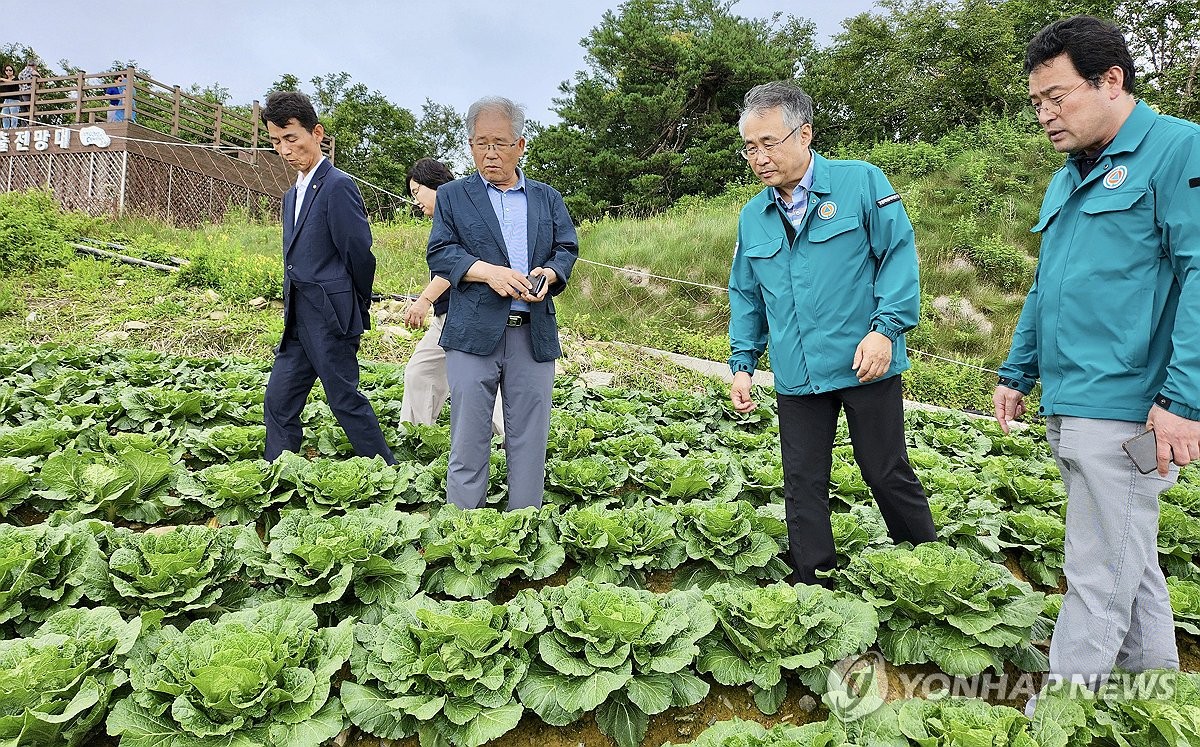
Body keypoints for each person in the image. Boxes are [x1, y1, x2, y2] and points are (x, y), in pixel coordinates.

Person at [994, 16, 1200, 705]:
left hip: (1131, 410)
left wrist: (1184, 400)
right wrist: (1015, 371)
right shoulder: (1069, 177)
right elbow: (1046, 283)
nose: (1045, 114)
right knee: (1127, 559)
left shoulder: (1178, 151)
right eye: (1036, 103)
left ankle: (1057, 711)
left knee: (1096, 569)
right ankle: (1157, 696)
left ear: (1112, 81)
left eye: (1057, 97)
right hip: (1071, 398)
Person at [727, 80, 936, 587]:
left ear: (804, 135)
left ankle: (929, 567)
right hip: (797, 375)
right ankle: (814, 585)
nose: (758, 157)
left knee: (885, 470)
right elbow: (746, 295)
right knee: (802, 483)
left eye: (769, 143)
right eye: (749, 147)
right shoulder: (753, 217)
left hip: (864, 362)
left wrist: (886, 330)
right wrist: (742, 363)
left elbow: (898, 256)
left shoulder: (861, 182)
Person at [427, 96, 578, 510]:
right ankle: (464, 533)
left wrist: (549, 273)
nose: (489, 153)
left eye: (499, 142)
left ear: (520, 145)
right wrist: (487, 271)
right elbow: (440, 253)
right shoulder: (454, 196)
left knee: (530, 440)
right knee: (468, 439)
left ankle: (523, 528)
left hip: (533, 335)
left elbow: (566, 247)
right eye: (480, 143)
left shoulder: (547, 198)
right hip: (472, 334)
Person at [259, 90, 394, 464]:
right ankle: (280, 476)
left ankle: (390, 472)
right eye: (275, 141)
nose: (285, 150)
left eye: (291, 138)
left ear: (316, 133)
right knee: (279, 399)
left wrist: (354, 306)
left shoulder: (337, 185)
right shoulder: (292, 195)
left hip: (331, 317)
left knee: (344, 400)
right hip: (298, 318)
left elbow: (358, 254)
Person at [399, 157, 505, 436]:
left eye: (416, 192)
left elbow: (454, 266)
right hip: (445, 318)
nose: (416, 201)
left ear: (435, 186)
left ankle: (509, 444)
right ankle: (416, 436)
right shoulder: (445, 218)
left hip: (468, 316)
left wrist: (423, 301)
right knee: (420, 372)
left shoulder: (463, 214)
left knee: (479, 384)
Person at [16, 61, 37, 126]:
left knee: (23, 110)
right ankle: (32, 124)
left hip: (22, 92)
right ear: (34, 66)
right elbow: (37, 75)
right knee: (30, 108)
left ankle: (24, 125)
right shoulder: (31, 70)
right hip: (29, 92)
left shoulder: (21, 72)